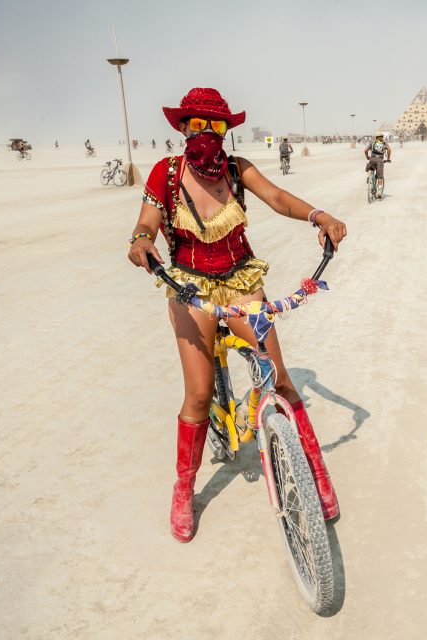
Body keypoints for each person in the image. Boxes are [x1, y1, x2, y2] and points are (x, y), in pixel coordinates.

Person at [126, 87, 347, 542]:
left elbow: (279, 198)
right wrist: (142, 241)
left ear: (227, 131)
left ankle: (316, 473)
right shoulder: (166, 174)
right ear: (184, 128)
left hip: (242, 279)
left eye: (217, 126)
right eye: (199, 125)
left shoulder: (235, 168)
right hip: (189, 287)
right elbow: (147, 222)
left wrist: (318, 215)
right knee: (200, 394)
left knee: (280, 380)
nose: (207, 134)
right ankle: (183, 490)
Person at [364, 132, 391, 197]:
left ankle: (369, 175)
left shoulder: (372, 143)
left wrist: (367, 157)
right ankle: (379, 192)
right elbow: (389, 150)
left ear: (376, 137)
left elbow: (365, 150)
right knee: (380, 177)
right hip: (380, 160)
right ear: (382, 137)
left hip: (372, 159)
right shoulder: (384, 143)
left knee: (370, 167)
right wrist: (388, 158)